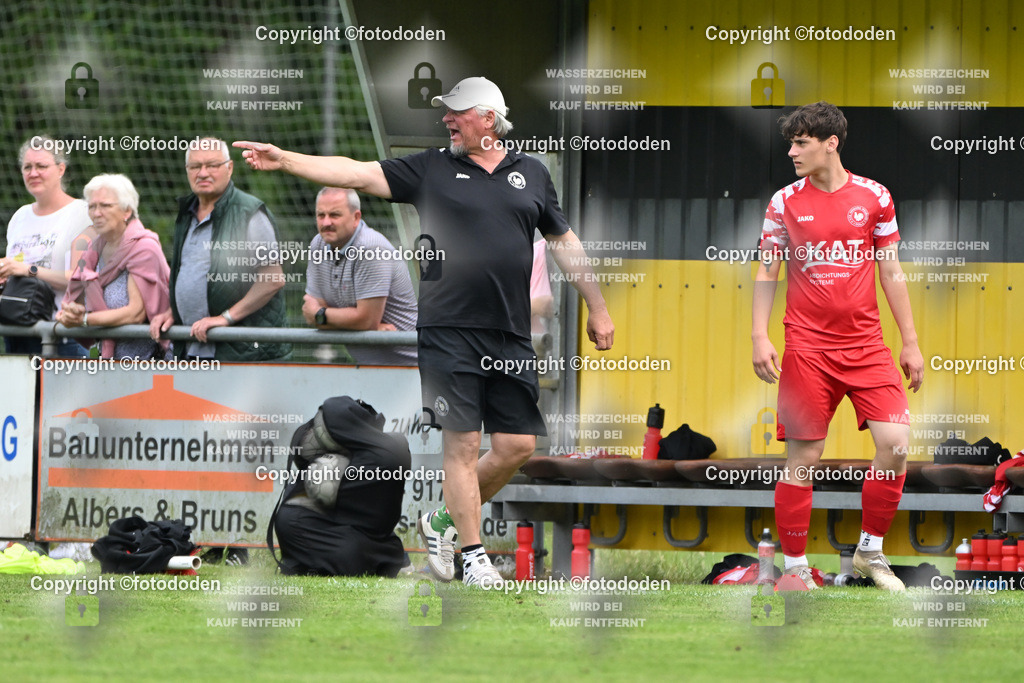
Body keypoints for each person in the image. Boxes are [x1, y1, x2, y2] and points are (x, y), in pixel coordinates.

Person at [235, 76, 614, 589]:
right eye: (446, 112)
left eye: (456, 112)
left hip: (510, 334)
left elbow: (565, 241)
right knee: (462, 446)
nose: (446, 119)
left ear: (488, 118)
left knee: (518, 445)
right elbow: (357, 172)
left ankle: (440, 521)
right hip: (447, 332)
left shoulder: (532, 174)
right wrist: (287, 159)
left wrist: (597, 306)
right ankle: (474, 554)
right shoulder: (431, 167)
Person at [752, 101, 924, 591]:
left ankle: (871, 552)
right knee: (803, 459)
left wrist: (909, 343)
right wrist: (759, 334)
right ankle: (796, 569)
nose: (791, 152)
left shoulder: (876, 197)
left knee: (896, 444)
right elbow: (768, 268)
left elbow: (891, 271)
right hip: (806, 348)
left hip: (868, 347)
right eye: (790, 143)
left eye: (801, 142)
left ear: (832, 143)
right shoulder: (783, 201)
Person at [148, 137, 290, 362]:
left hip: (244, 356)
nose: (203, 173)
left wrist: (225, 319)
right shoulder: (186, 214)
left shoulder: (250, 213)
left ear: (230, 168)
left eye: (212, 165)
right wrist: (173, 312)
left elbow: (273, 279)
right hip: (192, 351)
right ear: (187, 171)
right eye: (195, 166)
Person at [57, 174, 170, 360]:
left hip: (149, 366)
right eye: (92, 206)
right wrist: (72, 313)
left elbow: (135, 314)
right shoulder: (93, 250)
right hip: (108, 365)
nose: (96, 213)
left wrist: (84, 320)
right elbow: (77, 301)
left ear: (127, 211)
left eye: (105, 206)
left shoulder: (144, 248)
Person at [302, 187, 417, 365]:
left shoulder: (372, 248)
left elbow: (365, 320)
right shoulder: (318, 244)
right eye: (320, 215)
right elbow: (311, 312)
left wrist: (322, 315)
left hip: (412, 368)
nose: (326, 222)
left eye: (334, 215)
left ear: (356, 217)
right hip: (369, 367)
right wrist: (360, 322)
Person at [1, 135, 90, 356]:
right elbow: (15, 271)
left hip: (60, 337)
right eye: (27, 167)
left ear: (61, 169)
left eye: (41, 166)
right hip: (16, 334)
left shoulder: (81, 213)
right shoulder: (20, 216)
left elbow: (81, 279)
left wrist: (29, 270)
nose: (33, 173)